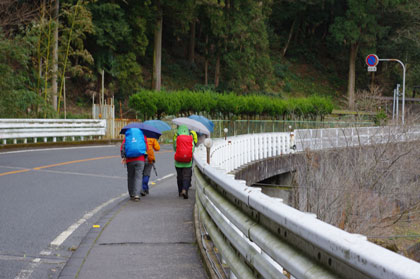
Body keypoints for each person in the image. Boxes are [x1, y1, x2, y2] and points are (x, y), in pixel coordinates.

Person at [120, 128, 147, 201]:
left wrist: (123, 157)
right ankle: (137, 195)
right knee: (138, 177)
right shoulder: (142, 135)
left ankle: (131, 194)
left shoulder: (128, 135)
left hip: (130, 159)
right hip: (140, 159)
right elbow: (146, 147)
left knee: (130, 176)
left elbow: (123, 147)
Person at [173, 125, 195, 199]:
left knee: (179, 176)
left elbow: (174, 148)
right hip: (188, 161)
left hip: (178, 161)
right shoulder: (190, 138)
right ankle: (185, 189)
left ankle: (180, 192)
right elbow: (193, 149)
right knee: (186, 176)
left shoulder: (177, 138)